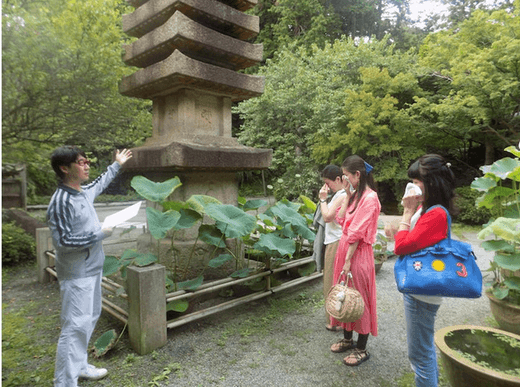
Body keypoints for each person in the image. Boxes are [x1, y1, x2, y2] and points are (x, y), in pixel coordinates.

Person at [47, 146, 132, 387]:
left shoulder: (81, 193)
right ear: (65, 168)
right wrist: (99, 234)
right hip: (76, 274)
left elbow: (99, 184)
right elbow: (63, 242)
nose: (86, 166)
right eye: (81, 162)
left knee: (88, 319)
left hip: (92, 269)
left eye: (86, 162)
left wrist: (116, 164)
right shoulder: (61, 201)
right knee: (74, 326)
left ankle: (80, 366)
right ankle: (64, 382)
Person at [392, 154, 456, 387]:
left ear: (431, 183)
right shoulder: (428, 209)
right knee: (422, 351)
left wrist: (406, 214)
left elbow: (401, 247)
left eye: (417, 181)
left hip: (422, 293)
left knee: (420, 354)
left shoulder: (436, 213)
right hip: (419, 288)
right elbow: (408, 240)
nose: (413, 186)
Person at [329, 155, 380, 366]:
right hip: (346, 250)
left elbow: (356, 233)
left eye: (347, 177)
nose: (344, 181)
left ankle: (362, 348)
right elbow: (341, 220)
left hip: (357, 254)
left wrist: (348, 260)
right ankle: (348, 339)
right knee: (344, 296)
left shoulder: (370, 198)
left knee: (359, 299)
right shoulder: (356, 196)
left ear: (357, 175)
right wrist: (348, 196)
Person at [317, 165, 347, 331]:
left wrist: (323, 199)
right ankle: (341, 318)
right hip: (340, 241)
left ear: (338, 179)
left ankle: (333, 321)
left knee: (331, 281)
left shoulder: (341, 196)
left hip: (336, 242)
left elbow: (328, 217)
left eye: (328, 183)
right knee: (340, 281)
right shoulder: (344, 195)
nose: (327, 187)